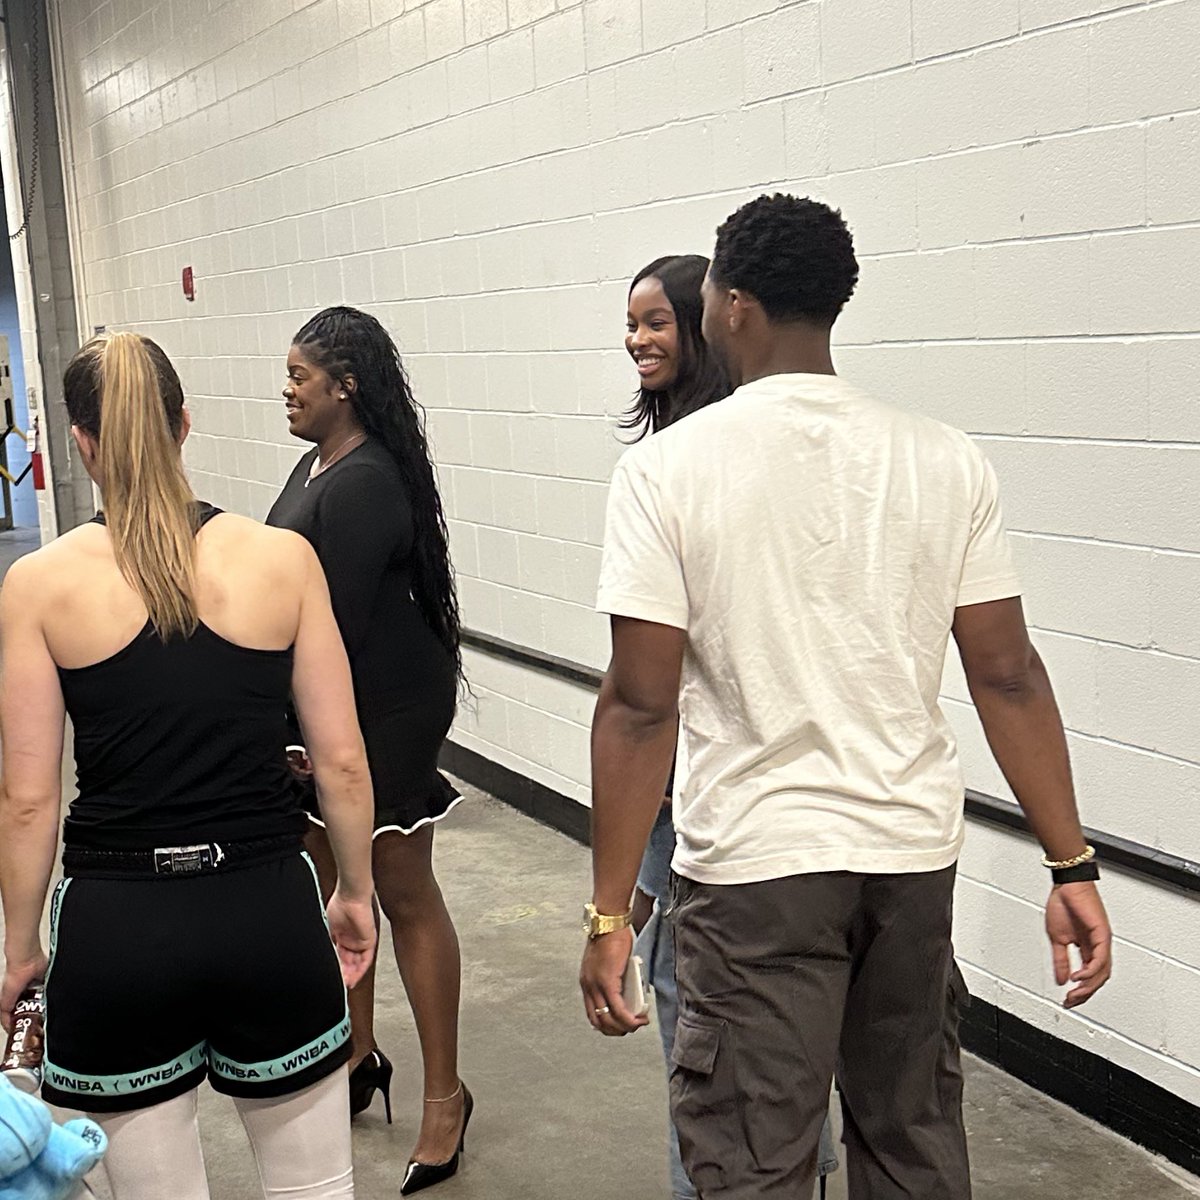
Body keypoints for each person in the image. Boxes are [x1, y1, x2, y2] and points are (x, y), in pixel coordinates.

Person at [580, 194, 1114, 1197]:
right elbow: (1008, 674)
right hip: (910, 868)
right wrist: (1070, 863)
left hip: (753, 879)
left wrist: (611, 914)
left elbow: (640, 706)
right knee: (911, 1147)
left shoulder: (666, 473)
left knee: (752, 1164)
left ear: (730, 306)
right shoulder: (944, 458)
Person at [0, 332, 377, 1200]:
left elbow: (28, 801)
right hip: (267, 913)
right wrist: (354, 894)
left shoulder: (39, 585)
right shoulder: (282, 560)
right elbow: (342, 762)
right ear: (184, 425)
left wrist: (21, 950)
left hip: (117, 933)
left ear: (83, 442)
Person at [622, 254, 838, 1199]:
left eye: (659, 321)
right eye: (630, 324)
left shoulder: (693, 460)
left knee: (706, 1060)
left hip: (722, 803)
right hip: (708, 795)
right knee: (770, 1061)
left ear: (713, 321)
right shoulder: (679, 450)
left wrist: (620, 891)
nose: (639, 339)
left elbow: (648, 697)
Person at [266, 307, 469, 1196]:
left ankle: (446, 1099)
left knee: (397, 888)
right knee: (334, 884)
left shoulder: (365, 483)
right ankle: (357, 1052)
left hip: (379, 708)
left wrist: (303, 736)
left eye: (299, 376)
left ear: (345, 386)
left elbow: (333, 631)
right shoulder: (320, 462)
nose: (288, 390)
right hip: (335, 703)